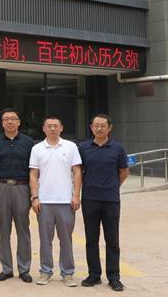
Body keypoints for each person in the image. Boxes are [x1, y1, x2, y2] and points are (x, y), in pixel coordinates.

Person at [29, 115, 82, 287]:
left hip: (66, 201)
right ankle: (45, 271)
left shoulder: (71, 147)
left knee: (66, 239)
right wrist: (35, 197)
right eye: (49, 126)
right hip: (44, 202)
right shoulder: (37, 149)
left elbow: (77, 171)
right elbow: (33, 174)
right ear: (43, 129)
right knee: (45, 240)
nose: (52, 128)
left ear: (61, 128)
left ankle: (68, 273)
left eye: (55, 126)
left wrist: (76, 195)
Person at [79, 114, 129, 292]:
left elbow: (124, 171)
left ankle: (114, 277)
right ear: (91, 128)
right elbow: (79, 172)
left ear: (109, 128)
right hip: (90, 199)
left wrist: (113, 186)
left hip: (111, 200)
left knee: (112, 240)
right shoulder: (84, 148)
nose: (99, 129)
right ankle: (94, 274)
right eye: (96, 125)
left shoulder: (118, 148)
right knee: (91, 239)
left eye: (102, 126)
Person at [0, 108, 34, 283]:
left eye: (13, 119)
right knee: (3, 230)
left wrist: (33, 193)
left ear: (19, 122)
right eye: (6, 119)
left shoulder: (28, 142)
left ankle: (24, 269)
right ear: (2, 123)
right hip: (1, 187)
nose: (9, 122)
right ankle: (6, 268)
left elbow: (33, 170)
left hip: (22, 188)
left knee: (23, 230)